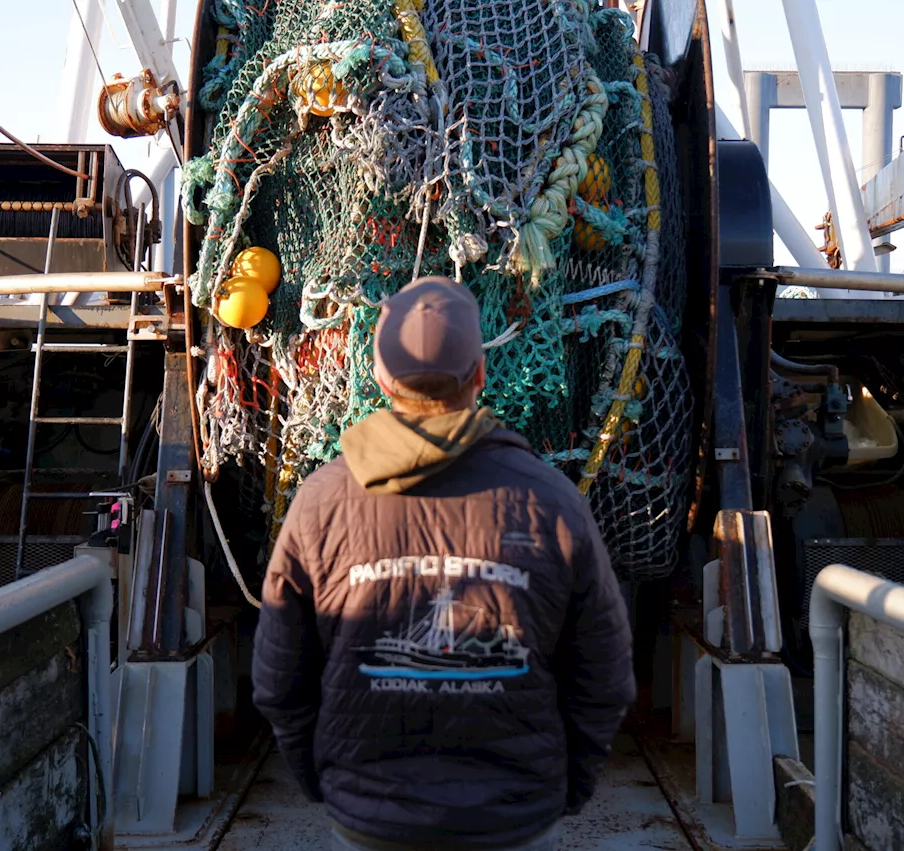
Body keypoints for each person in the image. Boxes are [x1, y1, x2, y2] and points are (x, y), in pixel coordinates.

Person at [252, 275, 635, 851]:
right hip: (516, 818)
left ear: (379, 377)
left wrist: (328, 785)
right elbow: (603, 678)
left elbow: (281, 680)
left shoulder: (320, 501)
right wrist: (564, 788)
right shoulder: (552, 499)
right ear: (481, 375)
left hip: (367, 817)